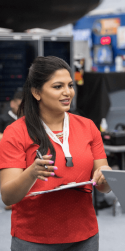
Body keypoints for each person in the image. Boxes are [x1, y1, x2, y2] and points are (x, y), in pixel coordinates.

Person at [0, 56, 111, 250]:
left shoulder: (88, 127)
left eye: (70, 85)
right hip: (33, 239)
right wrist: (32, 173)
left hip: (84, 236)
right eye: (58, 86)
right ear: (36, 92)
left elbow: (104, 187)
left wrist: (107, 175)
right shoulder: (16, 132)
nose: (67, 92)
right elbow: (8, 197)